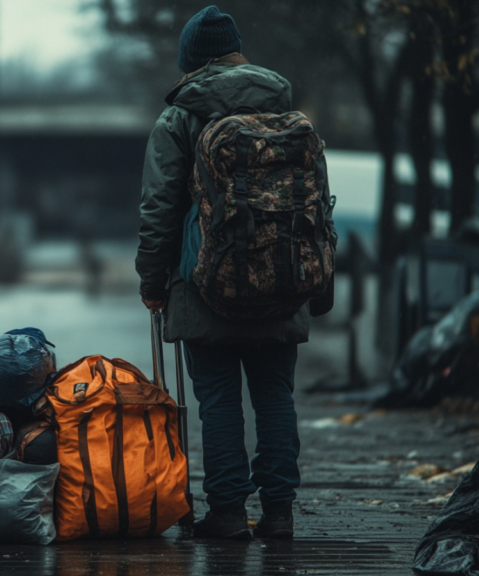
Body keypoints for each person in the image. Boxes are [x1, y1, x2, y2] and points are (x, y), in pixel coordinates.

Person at [136, 6, 334, 540]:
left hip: (205, 286)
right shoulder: (287, 118)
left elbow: (158, 210)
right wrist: (321, 284)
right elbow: (319, 209)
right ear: (237, 52)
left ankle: (226, 513)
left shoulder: (179, 118)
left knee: (218, 399)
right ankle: (279, 512)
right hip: (282, 280)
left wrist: (152, 284)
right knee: (275, 396)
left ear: (190, 60)